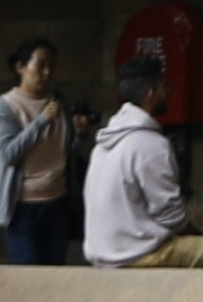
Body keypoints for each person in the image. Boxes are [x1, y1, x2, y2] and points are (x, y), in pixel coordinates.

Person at [79, 53, 188, 266]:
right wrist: (202, 236)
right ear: (150, 93)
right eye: (164, 86)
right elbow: (172, 217)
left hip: (100, 254)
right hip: (133, 255)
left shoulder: (102, 143)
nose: (168, 92)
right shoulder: (151, 145)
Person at [0, 40, 82, 264]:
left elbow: (64, 149)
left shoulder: (58, 101)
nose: (46, 72)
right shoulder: (6, 107)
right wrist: (40, 122)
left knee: (54, 269)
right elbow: (8, 154)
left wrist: (80, 134)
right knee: (26, 271)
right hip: (23, 205)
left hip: (57, 200)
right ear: (21, 67)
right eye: (40, 65)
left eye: (51, 66)